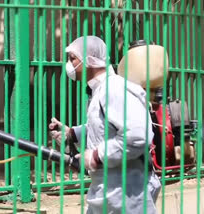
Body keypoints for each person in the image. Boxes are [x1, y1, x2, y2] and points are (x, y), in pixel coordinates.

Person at [49, 36, 161, 214]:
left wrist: (96, 156)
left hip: (128, 193)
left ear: (89, 60)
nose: (69, 65)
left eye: (73, 59)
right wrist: (72, 133)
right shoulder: (101, 90)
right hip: (108, 190)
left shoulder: (114, 89)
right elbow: (104, 126)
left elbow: (138, 136)